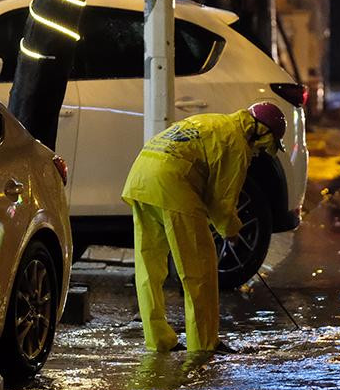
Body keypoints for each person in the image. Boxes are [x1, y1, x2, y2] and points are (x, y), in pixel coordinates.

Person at [121, 103, 286, 353]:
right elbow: (222, 201)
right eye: (264, 146)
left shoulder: (217, 122)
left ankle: (159, 340)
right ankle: (204, 344)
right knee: (200, 272)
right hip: (173, 184)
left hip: (141, 178)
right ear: (262, 134)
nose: (258, 153)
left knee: (149, 270)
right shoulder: (236, 144)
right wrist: (231, 231)